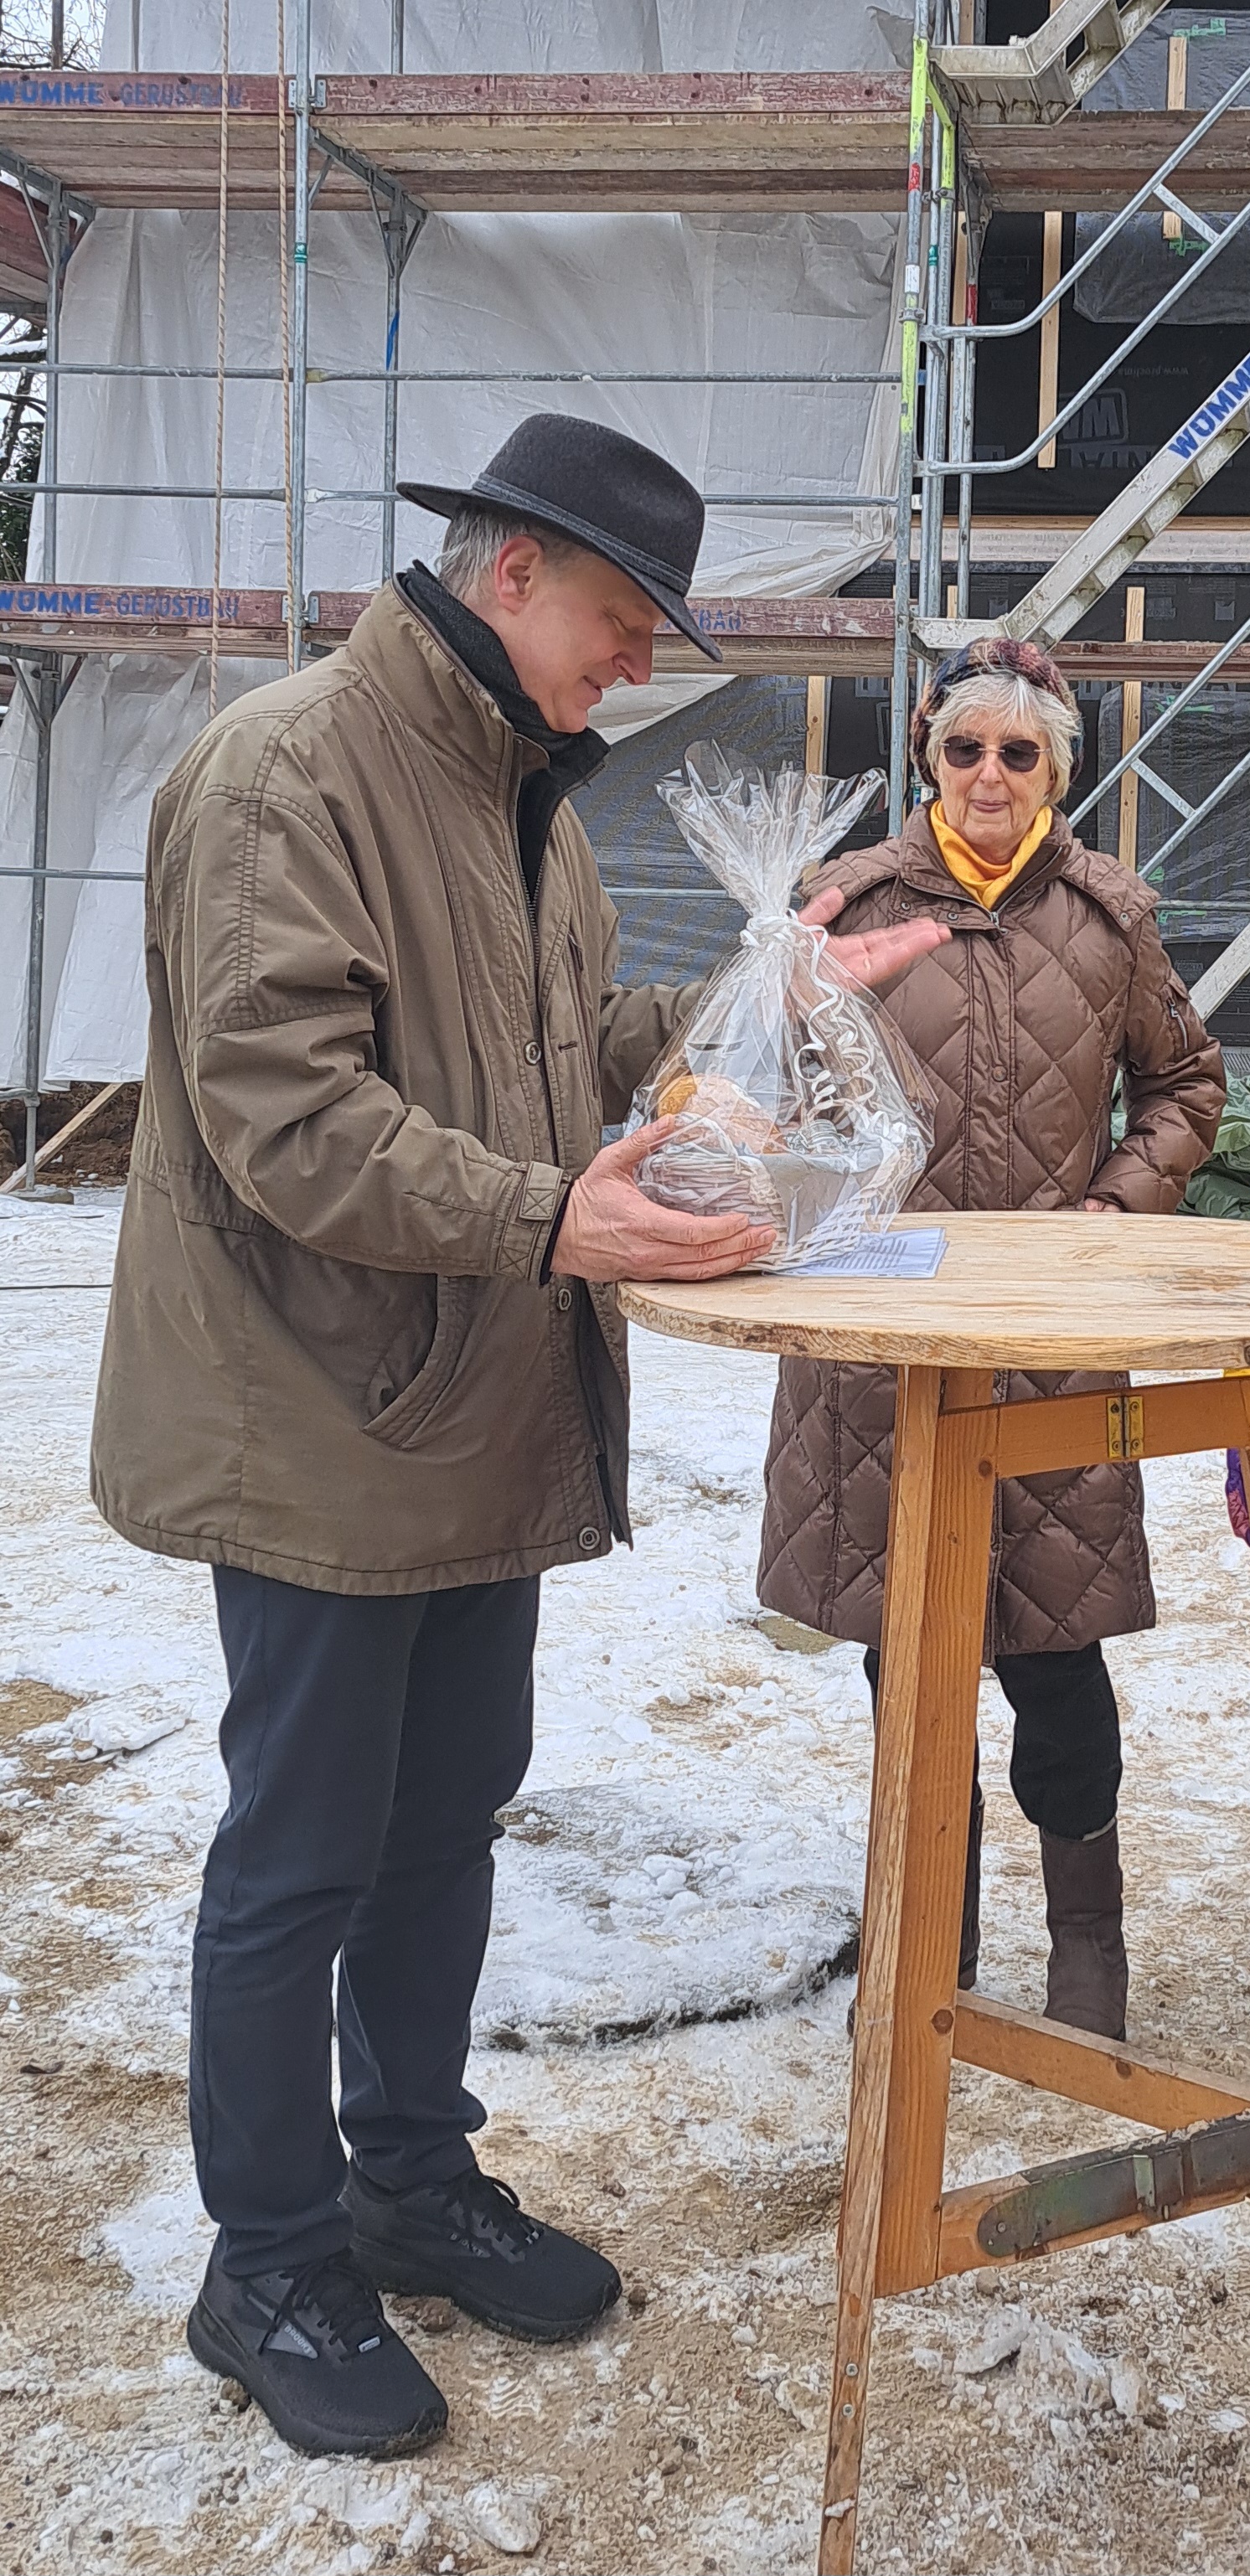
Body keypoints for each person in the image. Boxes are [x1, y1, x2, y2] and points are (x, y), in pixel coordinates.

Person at [88, 415, 947, 2461]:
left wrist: (751, 1002)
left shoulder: (526, 804)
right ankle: (269, 2257)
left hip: (467, 1402)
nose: (633, 666)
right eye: (621, 624)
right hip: (315, 1411)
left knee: (446, 1809)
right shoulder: (289, 769)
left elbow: (548, 1052)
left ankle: (405, 2172)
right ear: (510, 579)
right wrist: (562, 1212)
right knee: (297, 1853)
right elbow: (288, 1113)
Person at [757, 638, 1224, 2045]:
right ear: (927, 760)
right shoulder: (840, 907)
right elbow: (761, 1083)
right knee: (910, 1663)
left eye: (1020, 755)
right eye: (965, 751)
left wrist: (1111, 1202)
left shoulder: (1107, 916)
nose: (989, 779)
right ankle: (923, 1939)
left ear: (1058, 772)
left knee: (1058, 1661)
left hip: (1045, 1340)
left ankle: (1088, 1947)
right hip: (880, 1338)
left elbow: (1186, 1083)